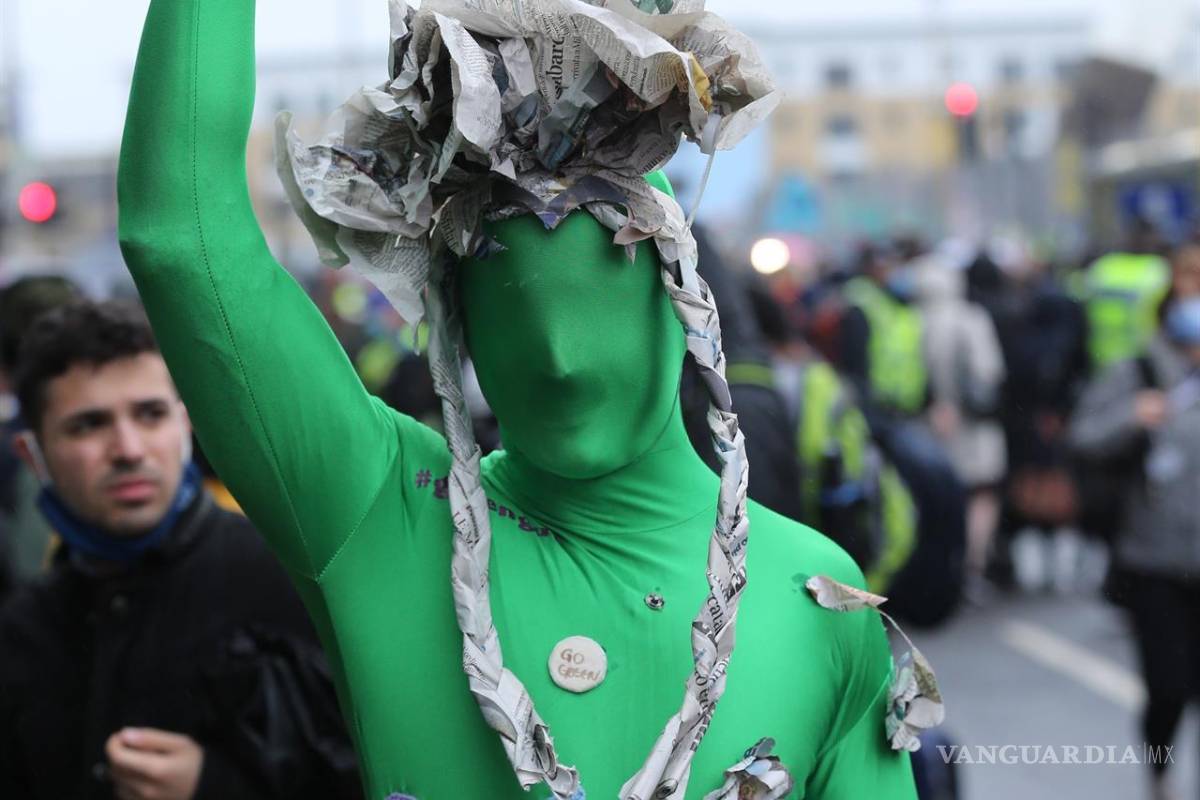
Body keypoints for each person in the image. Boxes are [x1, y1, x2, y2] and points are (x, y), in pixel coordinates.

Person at [116, 0, 922, 797]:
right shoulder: (384, 512)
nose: (559, 359)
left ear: (681, 307)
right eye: (507, 309)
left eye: (599, 295)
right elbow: (182, 238)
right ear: (459, 333)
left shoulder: (815, 596)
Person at [0, 300, 361, 799]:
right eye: (88, 425)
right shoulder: (24, 628)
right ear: (31, 453)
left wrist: (216, 786)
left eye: (150, 414)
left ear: (187, 421)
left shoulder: (293, 580)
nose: (128, 449)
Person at [1070, 243, 1200, 800]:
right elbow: (1084, 435)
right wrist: (1132, 417)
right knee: (1168, 687)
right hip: (1155, 560)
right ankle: (1160, 771)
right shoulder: (1140, 369)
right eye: (1189, 279)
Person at [911, 252, 1007, 601]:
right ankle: (972, 567)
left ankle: (941, 565)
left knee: (938, 497)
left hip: (927, 423)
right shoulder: (971, 318)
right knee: (980, 494)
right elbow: (988, 371)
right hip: (973, 425)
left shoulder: (912, 319)